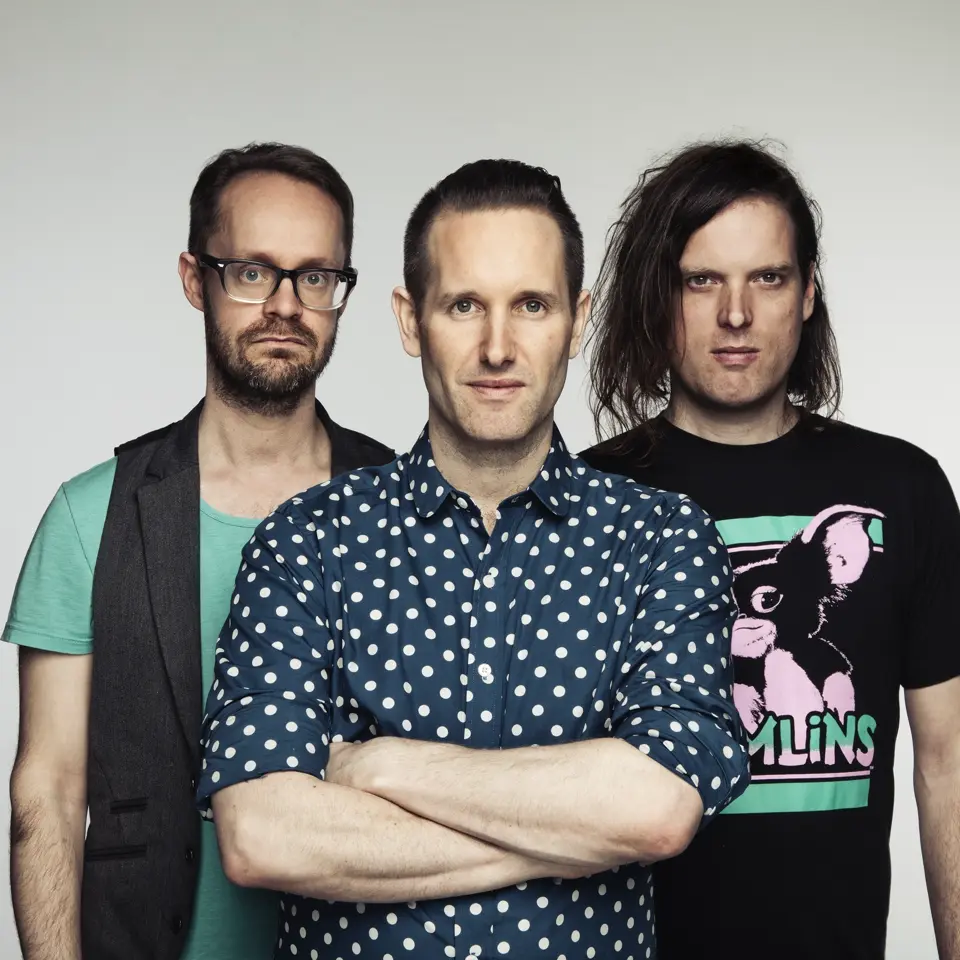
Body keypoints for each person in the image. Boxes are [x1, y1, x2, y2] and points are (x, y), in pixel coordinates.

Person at [193, 157, 749, 960]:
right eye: (463, 306)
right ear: (411, 319)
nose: (498, 346)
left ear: (577, 318)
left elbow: (657, 810)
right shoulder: (306, 539)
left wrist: (381, 767)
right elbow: (265, 836)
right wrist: (571, 833)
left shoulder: (659, 537)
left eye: (531, 304)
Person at [5, 142, 395, 960]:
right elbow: (47, 788)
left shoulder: (403, 507)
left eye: (315, 276)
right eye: (252, 271)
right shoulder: (91, 516)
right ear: (195, 280)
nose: (285, 304)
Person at [581, 140, 960, 960]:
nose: (737, 315)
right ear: (660, 299)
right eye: (702, 279)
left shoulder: (904, 487)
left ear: (810, 292)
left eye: (769, 278)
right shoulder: (589, 500)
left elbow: (948, 766)